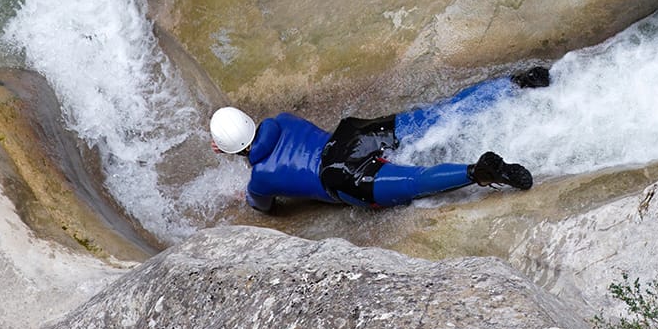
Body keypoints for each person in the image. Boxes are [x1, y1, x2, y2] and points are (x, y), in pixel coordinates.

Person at [209, 68, 550, 212]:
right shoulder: (281, 119)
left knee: (412, 183)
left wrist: (245, 175)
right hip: (353, 135)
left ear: (223, 149)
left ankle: (478, 172)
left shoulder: (260, 180)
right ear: (248, 120)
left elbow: (265, 209)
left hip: (339, 175)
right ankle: (515, 85)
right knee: (437, 116)